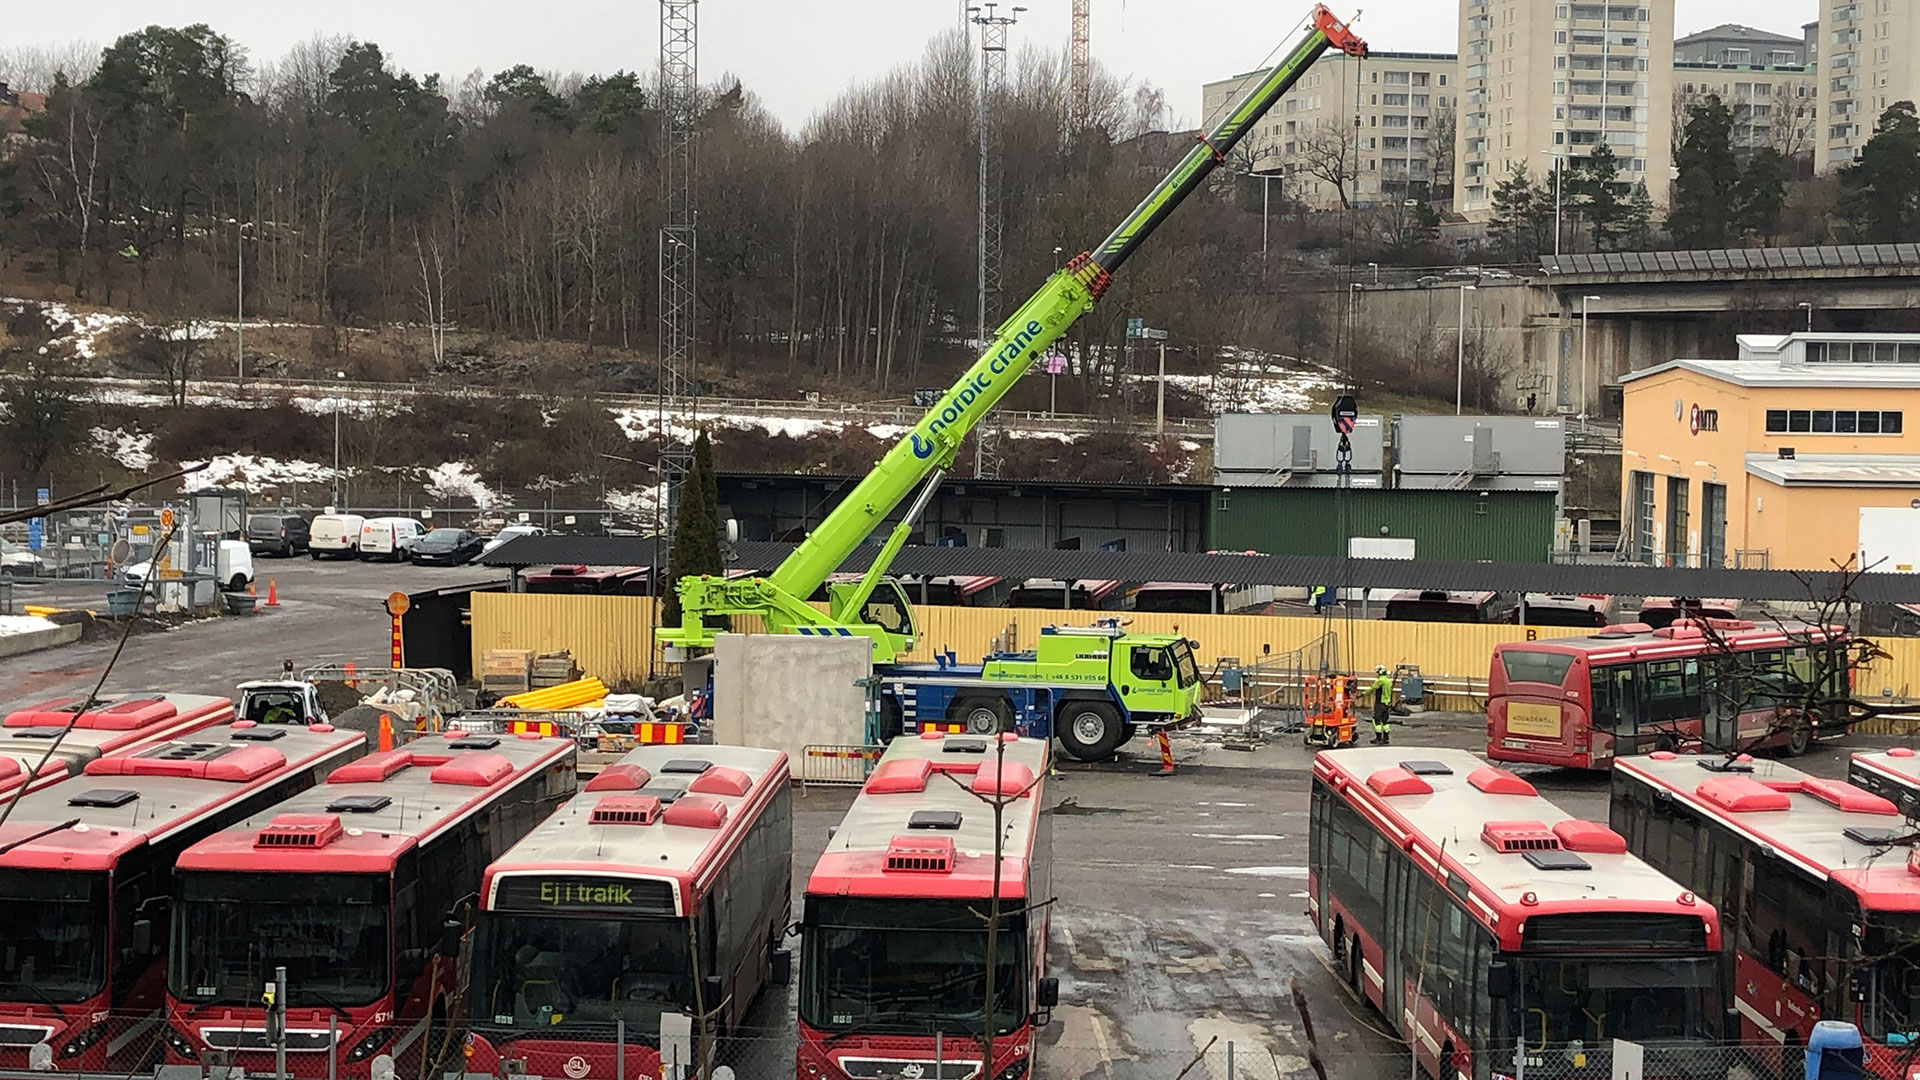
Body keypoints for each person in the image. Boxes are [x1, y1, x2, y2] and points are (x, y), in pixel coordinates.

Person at [1369, 665, 1395, 745]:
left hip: (1379, 703)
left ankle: (1379, 738)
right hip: (1386, 703)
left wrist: (1362, 694)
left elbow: (1372, 688)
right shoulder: (1388, 681)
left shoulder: (1380, 681)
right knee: (1385, 721)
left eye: (1377, 672)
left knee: (1377, 720)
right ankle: (1386, 738)